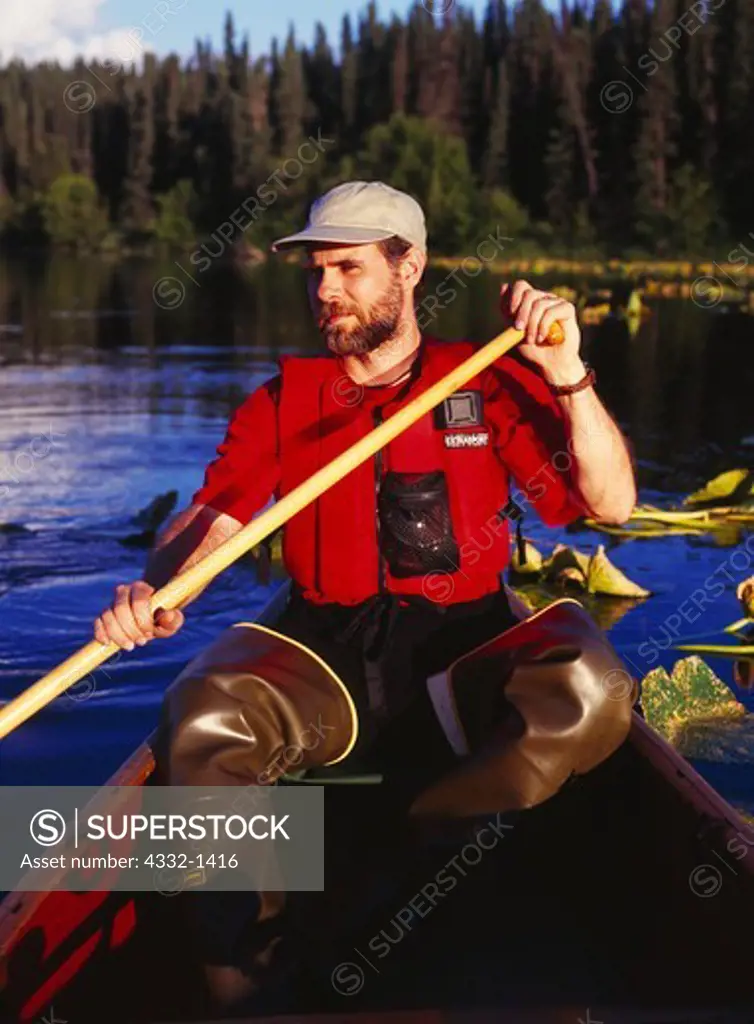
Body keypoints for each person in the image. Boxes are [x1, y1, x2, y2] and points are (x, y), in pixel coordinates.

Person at [93, 179, 637, 1007]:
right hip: (325, 652)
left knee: (590, 690)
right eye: (315, 272)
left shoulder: (485, 380)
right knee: (201, 711)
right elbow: (215, 514)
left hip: (467, 646)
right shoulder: (284, 402)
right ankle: (251, 977)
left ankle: (414, 850)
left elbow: (611, 504)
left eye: (347, 268)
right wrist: (157, 586)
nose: (325, 290)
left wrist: (568, 376)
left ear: (408, 267)